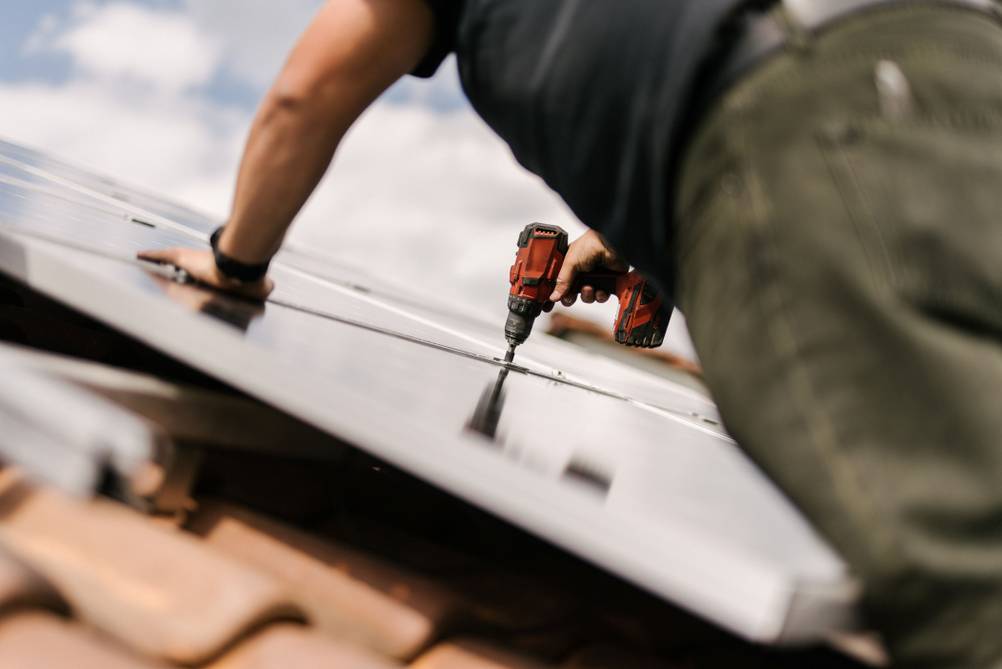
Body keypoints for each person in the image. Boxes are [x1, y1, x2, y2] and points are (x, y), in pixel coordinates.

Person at [140, 1, 1002, 666]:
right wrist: (634, 232)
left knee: (964, 583)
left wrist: (237, 265)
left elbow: (310, 88)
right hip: (955, 70)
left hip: (800, 125)